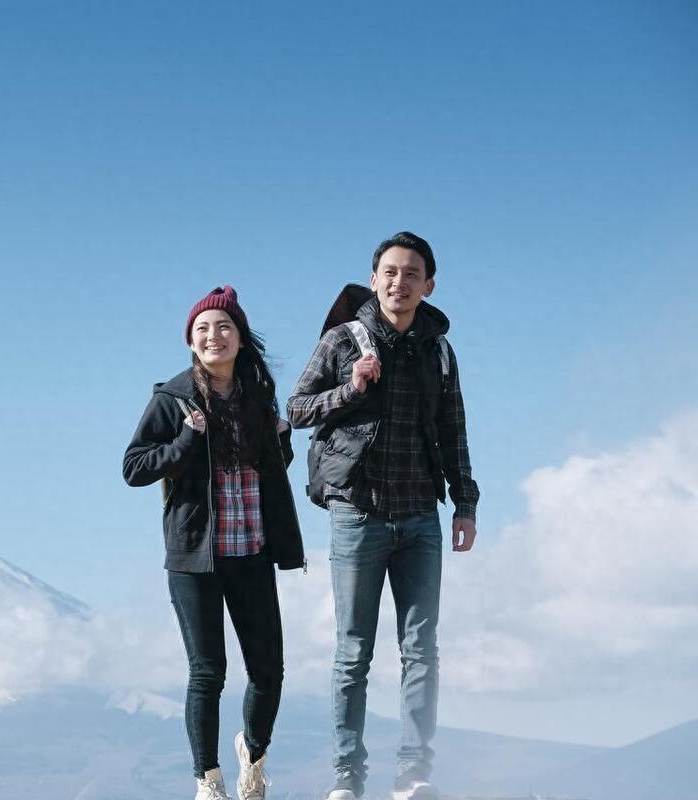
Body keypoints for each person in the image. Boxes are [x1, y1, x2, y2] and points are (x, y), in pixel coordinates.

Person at [287, 232, 480, 800]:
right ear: (374, 280)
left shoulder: (439, 351)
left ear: (429, 285)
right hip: (358, 513)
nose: (400, 282)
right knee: (354, 651)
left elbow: (453, 428)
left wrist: (465, 502)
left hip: (421, 514)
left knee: (421, 650)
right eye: (390, 272)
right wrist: (350, 389)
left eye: (412, 273)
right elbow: (296, 409)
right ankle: (347, 778)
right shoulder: (342, 340)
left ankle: (413, 775)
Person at [124, 285, 306, 800]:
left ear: (241, 338)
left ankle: (254, 754)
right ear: (190, 342)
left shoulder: (257, 398)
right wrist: (186, 438)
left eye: (224, 327)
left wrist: (282, 439)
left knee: (268, 670)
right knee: (208, 673)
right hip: (195, 558)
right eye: (202, 329)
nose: (213, 336)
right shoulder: (173, 399)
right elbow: (134, 467)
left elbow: (268, 470)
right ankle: (208, 781)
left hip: (251, 551)